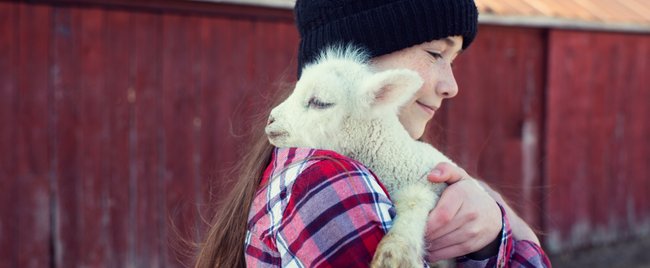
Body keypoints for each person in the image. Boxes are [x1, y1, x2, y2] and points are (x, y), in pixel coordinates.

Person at [194, 0, 551, 267]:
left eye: (452, 61)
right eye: (434, 53)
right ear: (356, 62)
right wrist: (519, 234)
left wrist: (491, 227)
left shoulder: (365, 173)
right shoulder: (327, 185)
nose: (451, 86)